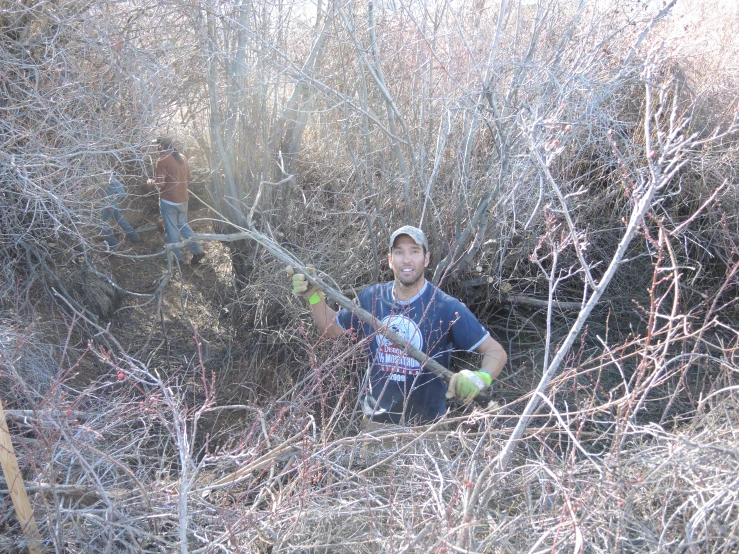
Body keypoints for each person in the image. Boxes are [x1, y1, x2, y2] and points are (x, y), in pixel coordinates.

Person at [289, 225, 507, 426]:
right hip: (375, 425)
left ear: (427, 258)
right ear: (390, 259)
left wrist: (481, 378)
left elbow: (495, 350)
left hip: (427, 429)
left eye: (414, 251)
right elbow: (332, 329)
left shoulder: (446, 307)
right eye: (399, 252)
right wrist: (315, 298)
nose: (407, 259)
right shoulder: (372, 298)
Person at [147, 136, 205, 265]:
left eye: (158, 145)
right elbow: (188, 177)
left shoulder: (162, 160)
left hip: (169, 201)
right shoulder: (182, 157)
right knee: (183, 225)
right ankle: (197, 250)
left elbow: (160, 184)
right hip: (183, 199)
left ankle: (175, 258)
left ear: (162, 146)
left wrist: (151, 182)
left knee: (171, 229)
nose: (157, 148)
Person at [101, 173, 139, 248]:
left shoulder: (98, 176)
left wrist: (108, 205)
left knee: (102, 223)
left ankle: (113, 244)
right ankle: (134, 236)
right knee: (117, 217)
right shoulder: (105, 173)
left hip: (111, 196)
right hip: (117, 193)